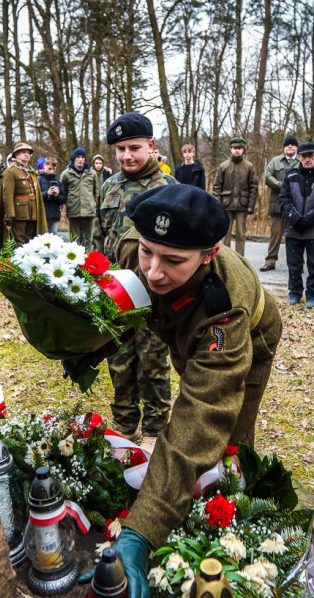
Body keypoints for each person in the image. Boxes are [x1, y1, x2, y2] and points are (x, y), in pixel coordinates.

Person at [104, 183, 282, 598]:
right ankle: (183, 498)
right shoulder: (136, 251)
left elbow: (201, 412)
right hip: (183, 329)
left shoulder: (228, 309)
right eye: (148, 253)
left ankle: (231, 530)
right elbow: (114, 306)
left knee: (227, 445)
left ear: (208, 254)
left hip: (248, 340)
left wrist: (141, 531)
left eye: (173, 261)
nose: (153, 272)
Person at [93, 112, 176, 446]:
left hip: (155, 294)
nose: (127, 155)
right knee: (119, 361)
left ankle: (156, 432)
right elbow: (98, 239)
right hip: (114, 294)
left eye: (134, 148)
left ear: (152, 147)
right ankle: (125, 427)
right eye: (120, 149)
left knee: (154, 363)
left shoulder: (169, 188)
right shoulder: (109, 186)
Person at [279, 141, 314, 308]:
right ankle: (295, 293)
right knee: (294, 265)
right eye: (304, 156)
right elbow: (284, 200)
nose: (308, 159)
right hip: (293, 229)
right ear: (299, 157)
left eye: (311, 155)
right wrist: (295, 218)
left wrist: (309, 219)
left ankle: (312, 295)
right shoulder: (290, 176)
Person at [211, 137, 259, 255]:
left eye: (239, 148)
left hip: (242, 206)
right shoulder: (223, 166)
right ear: (230, 149)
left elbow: (254, 187)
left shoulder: (249, 166)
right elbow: (216, 187)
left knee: (241, 234)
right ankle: (226, 258)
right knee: (225, 234)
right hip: (226, 205)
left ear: (243, 149)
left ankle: (240, 259)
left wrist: (251, 205)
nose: (237, 150)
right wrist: (218, 204)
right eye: (234, 148)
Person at [261, 135, 300, 272]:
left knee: (296, 235)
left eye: (293, 145)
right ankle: (270, 261)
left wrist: (293, 187)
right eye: (287, 145)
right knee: (275, 235)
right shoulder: (275, 161)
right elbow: (267, 177)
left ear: (296, 148)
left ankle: (297, 264)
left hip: (296, 206)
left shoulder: (301, 162)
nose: (290, 146)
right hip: (277, 205)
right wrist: (282, 185)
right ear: (284, 148)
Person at [0, 142, 47, 246]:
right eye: (23, 152)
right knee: (19, 242)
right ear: (16, 155)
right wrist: (10, 214)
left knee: (30, 242)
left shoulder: (31, 172)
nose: (27, 155)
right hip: (19, 213)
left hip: (33, 212)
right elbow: (8, 195)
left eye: (28, 153)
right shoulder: (11, 172)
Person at [60, 147, 99, 246]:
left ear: (85, 159)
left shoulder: (92, 173)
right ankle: (75, 260)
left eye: (82, 157)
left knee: (88, 239)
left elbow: (96, 191)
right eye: (78, 157)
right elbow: (62, 192)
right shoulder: (66, 174)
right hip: (73, 209)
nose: (80, 159)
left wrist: (93, 204)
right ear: (74, 159)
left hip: (89, 210)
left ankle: (88, 259)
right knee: (74, 239)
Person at [38, 156, 66, 235]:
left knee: (53, 239)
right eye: (49, 169)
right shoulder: (38, 180)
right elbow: (35, 197)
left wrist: (57, 195)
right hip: (42, 216)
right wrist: (46, 193)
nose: (51, 171)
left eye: (53, 169)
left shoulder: (58, 182)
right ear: (44, 166)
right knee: (41, 239)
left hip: (54, 216)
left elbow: (63, 199)